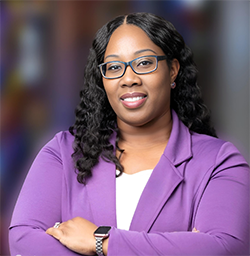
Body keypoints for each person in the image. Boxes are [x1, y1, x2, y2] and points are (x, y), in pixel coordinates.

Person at [9, 12, 250, 256]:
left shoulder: (219, 162)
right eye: (114, 67)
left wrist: (101, 241)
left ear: (173, 70)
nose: (128, 79)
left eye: (144, 63)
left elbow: (225, 247)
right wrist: (177, 245)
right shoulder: (63, 152)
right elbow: (23, 239)